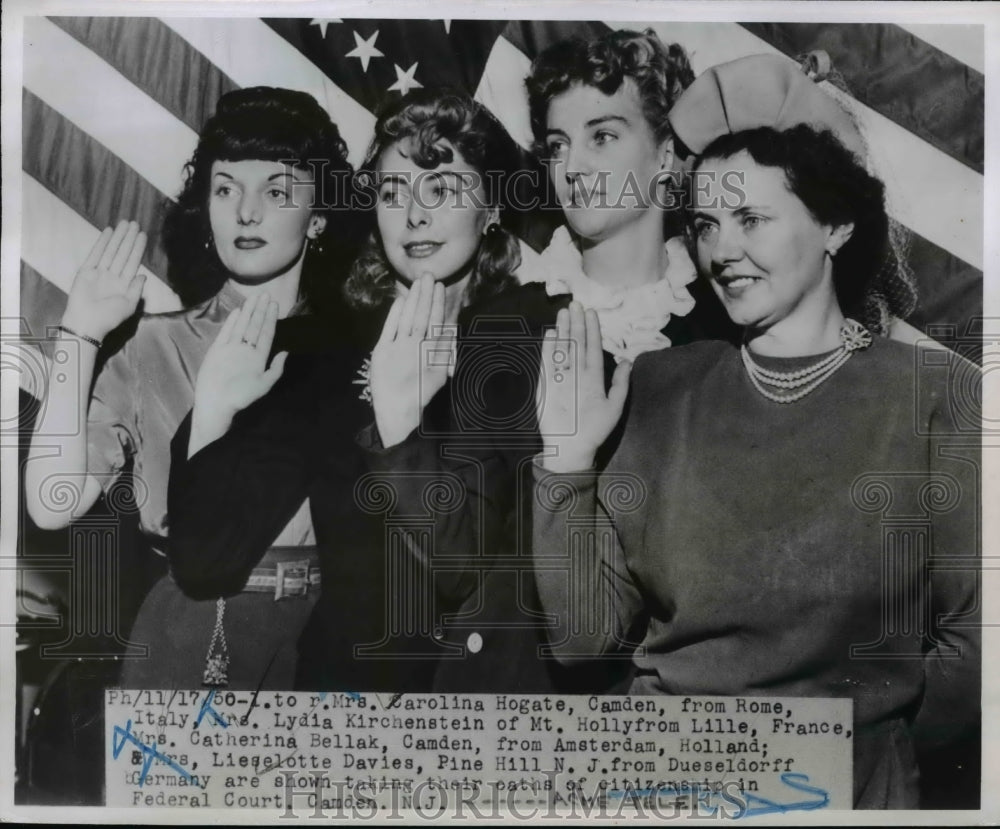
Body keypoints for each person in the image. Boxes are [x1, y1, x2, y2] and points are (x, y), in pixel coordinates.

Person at [531, 54, 980, 808]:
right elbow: (582, 639)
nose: (721, 250)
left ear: (835, 224)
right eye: (705, 223)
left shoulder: (937, 397)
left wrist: (874, 750)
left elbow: (973, 648)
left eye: (752, 219)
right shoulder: (659, 383)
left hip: (842, 791)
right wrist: (567, 462)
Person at [362, 29, 719, 695]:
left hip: (690, 713)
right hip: (520, 699)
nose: (575, 165)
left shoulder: (721, 331)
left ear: (667, 155)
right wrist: (401, 424)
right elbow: (462, 564)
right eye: (558, 146)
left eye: (603, 136)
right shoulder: (502, 325)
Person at [166, 88, 521, 691]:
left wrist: (400, 420)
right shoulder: (321, 348)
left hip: (489, 703)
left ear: (490, 210)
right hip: (349, 699)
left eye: (441, 190)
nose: (413, 216)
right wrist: (214, 412)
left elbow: (464, 575)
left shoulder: (530, 343)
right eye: (391, 193)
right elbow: (204, 561)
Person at [24, 86, 358, 689]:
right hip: (196, 637)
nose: (246, 212)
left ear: (321, 215)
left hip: (330, 642)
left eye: (277, 190)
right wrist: (80, 333)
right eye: (226, 188)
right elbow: (51, 504)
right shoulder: (152, 346)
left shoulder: (358, 351)